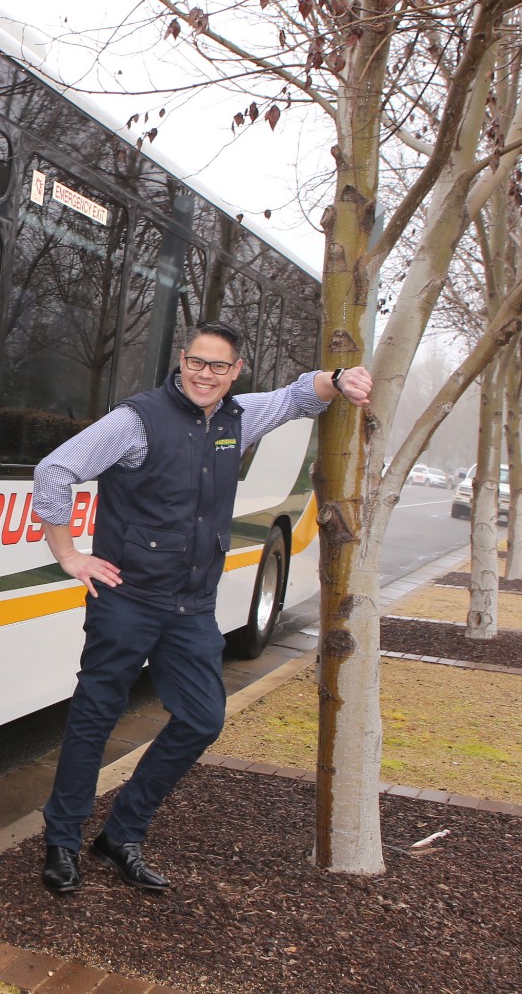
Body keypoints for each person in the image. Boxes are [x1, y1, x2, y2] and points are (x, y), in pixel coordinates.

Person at [36, 322, 372, 896]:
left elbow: (295, 397)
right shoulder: (137, 420)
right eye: (196, 362)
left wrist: (337, 379)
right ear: (182, 360)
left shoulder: (237, 418)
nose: (205, 374)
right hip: (128, 599)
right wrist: (69, 554)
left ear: (235, 371)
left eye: (218, 366)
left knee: (202, 718)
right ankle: (62, 842)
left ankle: (122, 834)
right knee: (94, 719)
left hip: (191, 606)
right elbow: (56, 470)